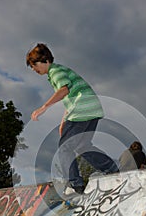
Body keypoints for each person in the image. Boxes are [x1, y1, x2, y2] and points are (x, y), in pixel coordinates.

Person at [26, 43, 118, 197]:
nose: (34, 70)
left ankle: (75, 184)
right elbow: (69, 97)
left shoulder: (55, 71)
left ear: (44, 60)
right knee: (82, 146)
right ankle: (112, 169)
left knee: (65, 147)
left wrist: (44, 107)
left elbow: (64, 90)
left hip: (81, 110)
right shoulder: (60, 70)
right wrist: (64, 120)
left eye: (34, 65)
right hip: (91, 109)